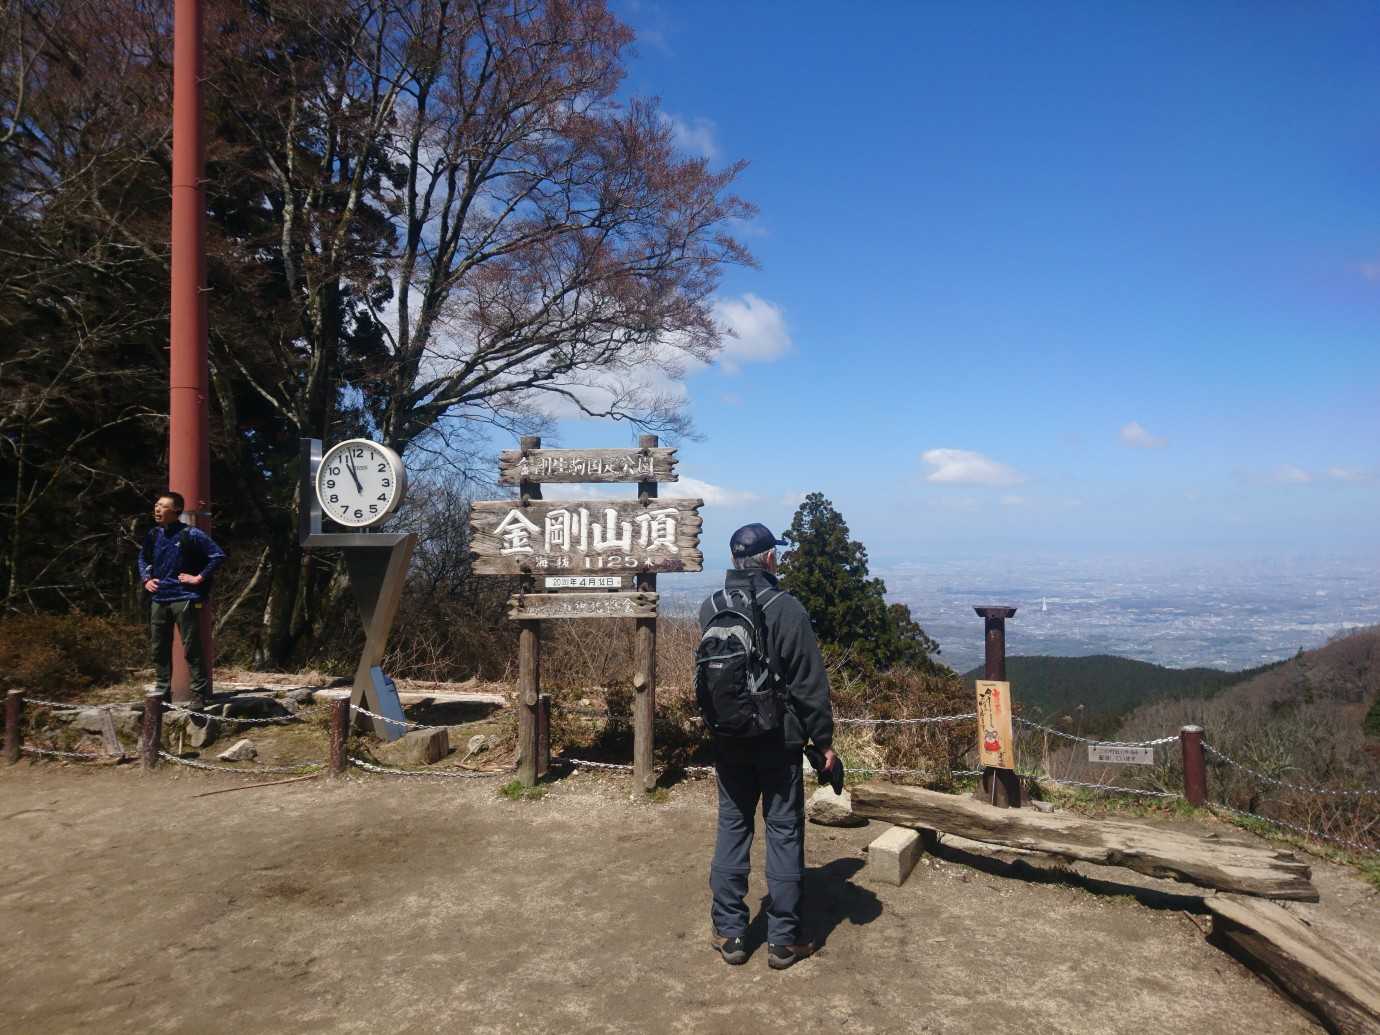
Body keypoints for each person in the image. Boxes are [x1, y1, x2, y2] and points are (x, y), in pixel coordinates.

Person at [699, 522, 837, 970]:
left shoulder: (711, 606)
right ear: (770, 558)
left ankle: (731, 932)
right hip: (779, 739)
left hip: (728, 738)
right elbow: (809, 685)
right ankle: (783, 939)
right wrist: (824, 742)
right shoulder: (787, 608)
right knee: (783, 829)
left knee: (733, 824)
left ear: (735, 559)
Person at [137, 492, 226, 707]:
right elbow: (142, 558)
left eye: (163, 506)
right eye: (156, 505)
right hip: (160, 596)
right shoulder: (153, 534)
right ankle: (162, 692)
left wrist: (198, 577)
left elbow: (217, 555)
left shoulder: (191, 534)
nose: (157, 509)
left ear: (176, 510)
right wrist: (146, 579)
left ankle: (198, 693)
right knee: (158, 646)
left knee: (191, 646)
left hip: (184, 596)